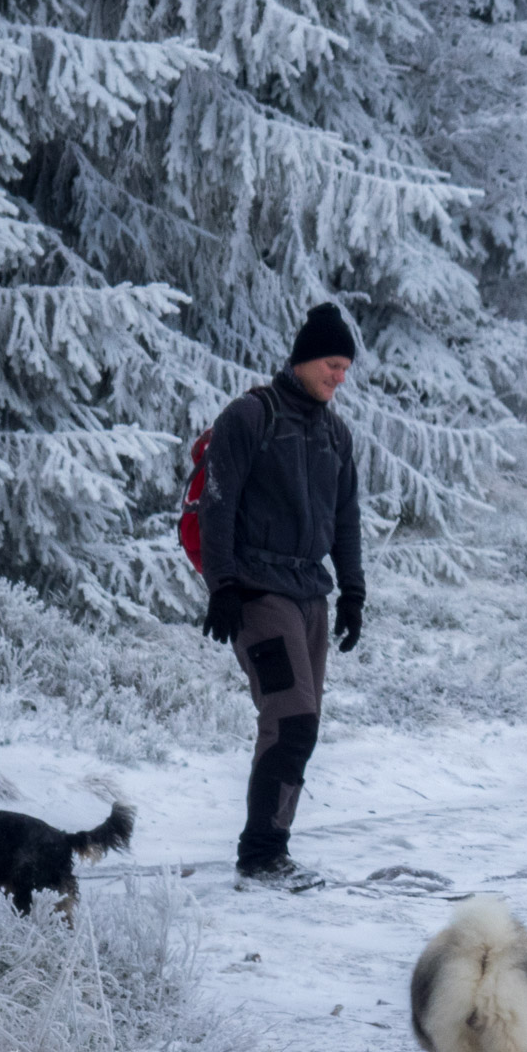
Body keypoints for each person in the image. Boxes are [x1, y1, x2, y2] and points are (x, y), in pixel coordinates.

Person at [199, 303, 366, 891]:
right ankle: (261, 854)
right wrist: (222, 587)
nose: (339, 377)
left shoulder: (336, 434)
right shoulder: (250, 416)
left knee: (304, 725)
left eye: (345, 368)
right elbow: (217, 504)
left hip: (311, 595)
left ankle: (272, 848)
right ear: (302, 359)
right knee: (290, 719)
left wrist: (353, 594)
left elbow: (347, 519)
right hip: (258, 590)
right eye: (331, 364)